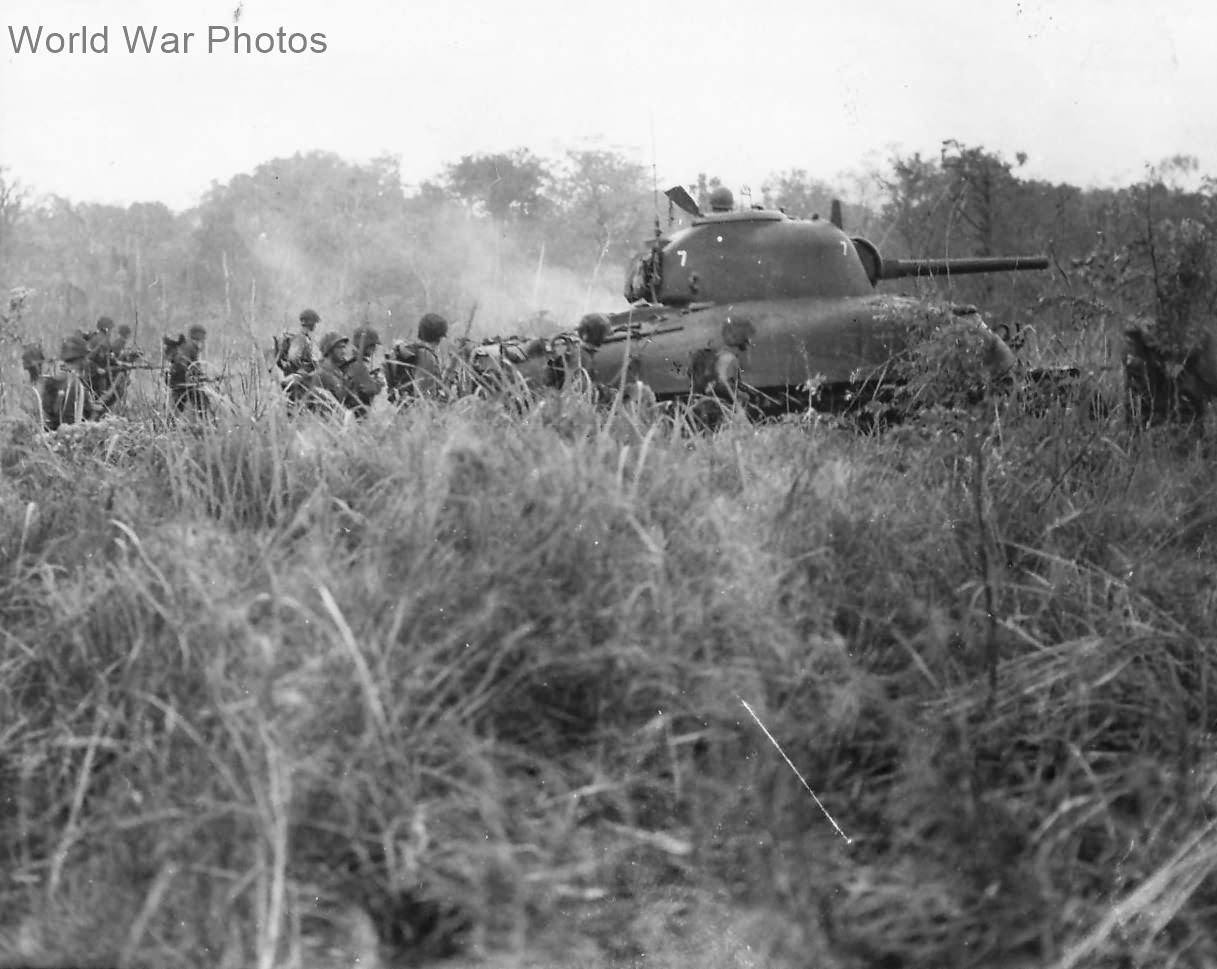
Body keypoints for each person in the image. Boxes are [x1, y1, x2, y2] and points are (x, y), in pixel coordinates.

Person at [385, 312, 449, 404]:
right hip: (420, 412)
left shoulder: (410, 351)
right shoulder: (427, 355)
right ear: (439, 337)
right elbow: (422, 390)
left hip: (403, 408)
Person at [304, 331, 361, 414]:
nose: (343, 351)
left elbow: (344, 401)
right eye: (340, 347)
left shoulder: (337, 373)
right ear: (329, 348)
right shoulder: (320, 374)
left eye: (344, 347)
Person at [165, 324, 210, 416]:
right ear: (199, 336)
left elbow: (191, 366)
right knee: (203, 405)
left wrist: (200, 376)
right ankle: (207, 426)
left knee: (177, 408)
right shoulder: (190, 347)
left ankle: (168, 426)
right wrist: (193, 377)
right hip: (184, 384)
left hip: (181, 383)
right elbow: (183, 364)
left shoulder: (188, 346)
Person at [346, 325, 384, 417]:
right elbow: (371, 389)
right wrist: (378, 382)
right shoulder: (358, 365)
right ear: (366, 346)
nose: (374, 349)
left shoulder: (352, 364)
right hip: (357, 413)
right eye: (372, 345)